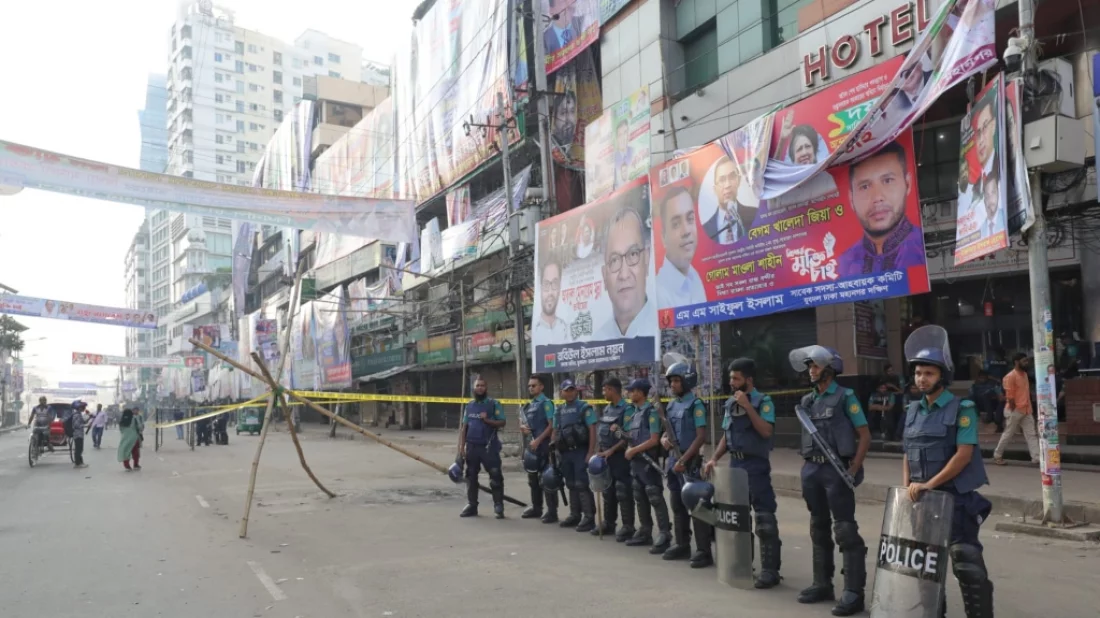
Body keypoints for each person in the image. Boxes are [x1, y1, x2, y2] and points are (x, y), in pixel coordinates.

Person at [903, 325, 994, 618]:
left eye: (928, 373)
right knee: (926, 568)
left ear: (942, 375)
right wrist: (908, 490)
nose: (921, 378)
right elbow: (907, 453)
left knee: (966, 562)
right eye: (918, 373)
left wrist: (929, 484)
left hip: (954, 499)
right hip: (922, 500)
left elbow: (963, 456)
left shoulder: (961, 407)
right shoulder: (912, 410)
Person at [788, 345, 871, 616]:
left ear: (830, 369)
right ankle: (822, 583)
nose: (811, 370)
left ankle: (853, 592)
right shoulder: (808, 401)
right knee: (818, 527)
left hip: (837, 471)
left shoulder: (846, 396)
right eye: (809, 366)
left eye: (815, 366)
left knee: (845, 530)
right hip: (812, 470)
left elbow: (864, 435)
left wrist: (854, 467)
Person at [703, 358, 781, 588]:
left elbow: (766, 431)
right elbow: (727, 436)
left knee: (765, 519)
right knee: (737, 519)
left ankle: (770, 570)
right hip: (735, 467)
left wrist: (748, 406)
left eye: (736, 378)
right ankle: (743, 564)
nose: (732, 382)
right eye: (730, 378)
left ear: (748, 380)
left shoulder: (763, 402)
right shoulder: (729, 404)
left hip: (755, 466)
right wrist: (714, 458)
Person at [838, 142, 925, 276]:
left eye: (888, 181)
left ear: (908, 184)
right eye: (865, 187)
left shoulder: (921, 248)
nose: (877, 197)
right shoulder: (843, 264)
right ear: (851, 198)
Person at [659, 361, 712, 568]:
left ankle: (703, 550)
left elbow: (700, 437)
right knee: (677, 504)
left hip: (688, 462)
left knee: (697, 507)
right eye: (671, 381)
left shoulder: (696, 405)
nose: (672, 385)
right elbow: (668, 430)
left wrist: (684, 460)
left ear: (686, 381)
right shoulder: (671, 405)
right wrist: (664, 439)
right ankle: (682, 544)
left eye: (676, 380)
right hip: (674, 460)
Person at [622, 378, 672, 553]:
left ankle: (665, 533)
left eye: (632, 390)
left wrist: (634, 450)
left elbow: (654, 439)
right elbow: (631, 435)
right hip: (636, 462)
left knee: (654, 496)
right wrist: (630, 446)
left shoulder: (650, 412)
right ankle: (645, 531)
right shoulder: (635, 413)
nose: (629, 393)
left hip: (647, 463)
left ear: (640, 392)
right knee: (639, 496)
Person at [595, 207, 652, 340]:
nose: (624, 274)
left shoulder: (664, 329)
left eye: (633, 254)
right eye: (614, 260)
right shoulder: (596, 342)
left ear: (647, 260)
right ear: (604, 276)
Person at [550, 379, 598, 531]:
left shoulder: (584, 408)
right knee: (570, 483)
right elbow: (555, 430)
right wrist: (554, 448)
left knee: (582, 484)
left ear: (576, 392)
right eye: (566, 390)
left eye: (572, 390)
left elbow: (592, 429)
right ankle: (574, 514)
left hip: (580, 451)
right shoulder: (558, 410)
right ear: (561, 393)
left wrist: (591, 452)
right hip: (565, 453)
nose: (569, 393)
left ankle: (589, 517)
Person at [591, 377, 635, 541]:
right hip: (606, 457)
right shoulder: (608, 409)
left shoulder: (627, 409)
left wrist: (611, 450)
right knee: (608, 491)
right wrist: (599, 450)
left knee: (623, 491)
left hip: (620, 457)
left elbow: (628, 436)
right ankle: (609, 523)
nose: (603, 393)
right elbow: (603, 430)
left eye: (604, 390)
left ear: (611, 390)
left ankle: (628, 526)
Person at [457, 377, 507, 518]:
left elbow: (502, 422)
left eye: (482, 385)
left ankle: (498, 506)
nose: (480, 388)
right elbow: (464, 427)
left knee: (495, 476)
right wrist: (461, 448)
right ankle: (472, 505)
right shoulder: (470, 405)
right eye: (477, 385)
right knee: (471, 477)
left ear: (486, 388)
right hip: (472, 447)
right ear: (474, 388)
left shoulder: (493, 404)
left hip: (488, 447)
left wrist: (487, 420)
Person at [656, 185, 707, 310]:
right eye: (676, 224)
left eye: (690, 219)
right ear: (663, 237)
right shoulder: (659, 294)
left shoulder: (694, 277)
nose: (686, 231)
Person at [520, 373, 558, 523]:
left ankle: (552, 511)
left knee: (547, 479)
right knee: (533, 479)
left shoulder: (546, 403)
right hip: (532, 448)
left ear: (541, 387)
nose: (531, 388)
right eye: (529, 385)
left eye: (533, 385)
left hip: (544, 446)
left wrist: (540, 441)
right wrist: (523, 428)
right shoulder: (529, 405)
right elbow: (526, 425)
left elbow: (551, 425)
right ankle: (537, 508)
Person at [993, 353, 1040, 465]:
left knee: (1031, 434)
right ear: (1016, 362)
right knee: (1008, 434)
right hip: (1015, 410)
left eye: (1027, 361)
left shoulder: (1024, 374)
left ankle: (1036, 458)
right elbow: (1010, 396)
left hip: (1026, 409)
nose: (1026, 363)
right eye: (1024, 361)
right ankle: (997, 455)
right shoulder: (1010, 376)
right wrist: (1014, 410)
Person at [702, 157, 755, 245]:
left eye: (732, 177)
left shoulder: (753, 215)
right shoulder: (706, 230)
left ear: (738, 181)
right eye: (722, 180)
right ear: (715, 189)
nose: (727, 185)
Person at [535, 259, 569, 344]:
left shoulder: (565, 328)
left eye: (554, 284)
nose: (550, 292)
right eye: (546, 284)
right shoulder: (535, 329)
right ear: (540, 288)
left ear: (560, 287)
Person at [70, 401, 89, 469]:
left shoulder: (79, 414)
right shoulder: (76, 415)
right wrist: (83, 426)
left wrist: (89, 417)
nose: (84, 408)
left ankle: (80, 462)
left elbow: (83, 421)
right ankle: (77, 463)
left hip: (80, 434)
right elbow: (76, 425)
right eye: (83, 407)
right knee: (78, 449)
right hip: (77, 434)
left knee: (80, 449)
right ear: (79, 408)